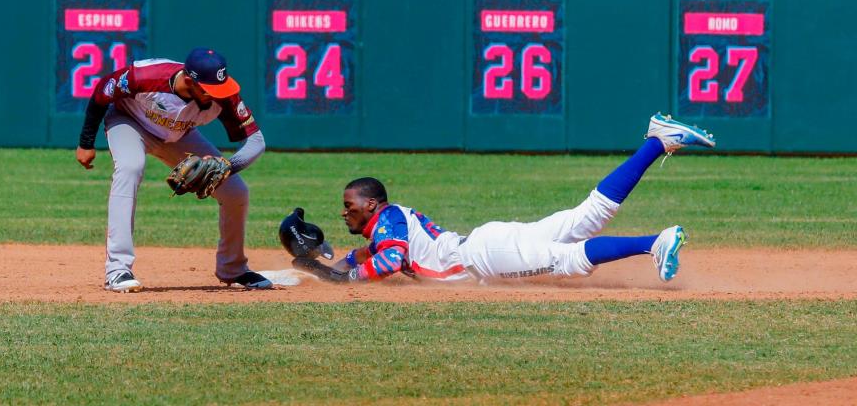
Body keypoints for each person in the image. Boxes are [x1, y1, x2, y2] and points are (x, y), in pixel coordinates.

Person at [294, 113, 715, 284]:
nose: (343, 211)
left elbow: (385, 262)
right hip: (485, 243)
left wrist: (343, 279)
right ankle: (658, 140)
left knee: (568, 257)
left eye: (349, 205)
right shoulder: (388, 224)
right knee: (588, 215)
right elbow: (370, 253)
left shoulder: (388, 221)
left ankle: (652, 243)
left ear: (371, 204)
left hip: (484, 256)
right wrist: (327, 264)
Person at [75, 47, 273, 292]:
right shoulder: (146, 76)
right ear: (189, 80)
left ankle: (233, 268)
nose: (216, 95)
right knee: (130, 167)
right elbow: (102, 92)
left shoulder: (223, 93)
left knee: (236, 192)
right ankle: (117, 270)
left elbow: (256, 141)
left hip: (179, 134)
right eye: (209, 89)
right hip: (129, 121)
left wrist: (228, 168)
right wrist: (86, 143)